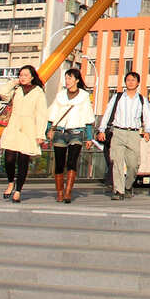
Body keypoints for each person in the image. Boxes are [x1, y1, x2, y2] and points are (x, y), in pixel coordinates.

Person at [0, 64, 47, 203]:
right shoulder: (16, 89)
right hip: (14, 125)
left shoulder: (38, 92)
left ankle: (18, 190)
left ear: (32, 77)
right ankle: (11, 182)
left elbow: (41, 114)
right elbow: (2, 93)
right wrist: (14, 82)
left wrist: (40, 134)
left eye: (25, 75)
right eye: (21, 75)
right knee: (9, 158)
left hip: (29, 128)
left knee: (23, 160)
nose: (23, 78)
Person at [97, 70, 150, 200]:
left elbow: (147, 116)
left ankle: (128, 186)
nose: (130, 82)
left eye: (133, 80)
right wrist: (102, 129)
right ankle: (119, 190)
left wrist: (147, 130)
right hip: (118, 132)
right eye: (128, 80)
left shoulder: (142, 99)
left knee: (134, 164)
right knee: (117, 162)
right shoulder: (117, 97)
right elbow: (107, 113)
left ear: (138, 83)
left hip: (133, 133)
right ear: (125, 82)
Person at [45, 68, 94, 204]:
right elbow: (52, 113)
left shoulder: (84, 96)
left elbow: (88, 117)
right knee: (59, 163)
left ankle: (68, 192)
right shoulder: (60, 95)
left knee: (72, 162)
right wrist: (49, 130)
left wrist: (89, 137)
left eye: (70, 78)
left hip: (76, 132)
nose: (67, 81)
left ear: (77, 80)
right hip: (60, 132)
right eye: (66, 78)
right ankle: (59, 192)